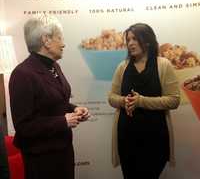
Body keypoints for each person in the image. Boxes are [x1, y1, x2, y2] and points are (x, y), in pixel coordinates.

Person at [9, 14, 90, 179]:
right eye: (59, 38)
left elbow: (56, 102)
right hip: (41, 159)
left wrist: (75, 109)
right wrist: (63, 121)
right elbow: (23, 126)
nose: (63, 44)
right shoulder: (22, 74)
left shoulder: (54, 66)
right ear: (46, 40)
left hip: (63, 151)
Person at [108, 23, 180, 179]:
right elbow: (111, 97)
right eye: (128, 40)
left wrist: (141, 101)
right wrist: (124, 101)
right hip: (126, 137)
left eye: (135, 38)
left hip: (155, 138)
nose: (130, 43)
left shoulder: (163, 65)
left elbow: (174, 100)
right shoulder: (123, 67)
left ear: (147, 41)